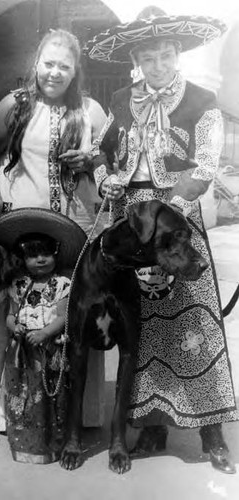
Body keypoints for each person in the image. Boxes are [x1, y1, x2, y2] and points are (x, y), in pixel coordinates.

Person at [86, 7, 238, 474]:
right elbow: (100, 151)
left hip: (175, 220)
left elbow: (206, 166)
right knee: (144, 325)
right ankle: (153, 422)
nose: (158, 65)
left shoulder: (202, 100)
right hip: (133, 227)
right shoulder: (118, 98)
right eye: (148, 57)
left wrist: (166, 210)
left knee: (193, 322)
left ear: (178, 56)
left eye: (166, 55)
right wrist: (105, 177)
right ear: (136, 59)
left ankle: (211, 431)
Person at [0, 28, 110, 427]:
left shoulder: (92, 112)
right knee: (24, 316)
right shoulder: (14, 106)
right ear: (35, 63)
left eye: (63, 66)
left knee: (73, 315)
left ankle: (77, 416)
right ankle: (21, 412)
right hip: (24, 235)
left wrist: (90, 161)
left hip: (75, 233)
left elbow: (112, 167)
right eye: (48, 63)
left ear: (75, 71)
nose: (54, 73)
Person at [0, 208, 87, 463]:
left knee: (51, 394)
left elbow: (65, 317)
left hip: (50, 347)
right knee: (23, 395)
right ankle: (25, 444)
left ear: (55, 254)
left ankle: (52, 444)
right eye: (33, 255)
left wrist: (44, 333)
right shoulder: (18, 285)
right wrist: (14, 326)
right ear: (23, 258)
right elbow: (11, 315)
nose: (40, 260)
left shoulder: (62, 283)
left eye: (45, 253)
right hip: (22, 350)